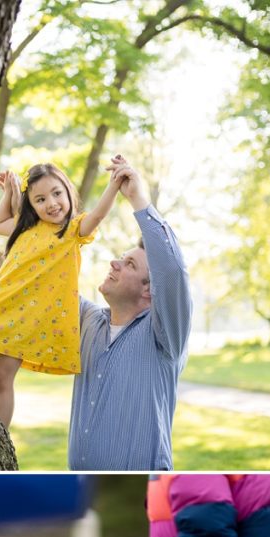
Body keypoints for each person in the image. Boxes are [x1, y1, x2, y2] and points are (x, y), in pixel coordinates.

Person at [0, 157, 125, 427]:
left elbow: (98, 215)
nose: (52, 203)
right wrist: (10, 193)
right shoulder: (26, 227)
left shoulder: (72, 231)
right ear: (32, 205)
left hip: (27, 317)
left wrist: (114, 184)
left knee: (3, 378)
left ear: (68, 190)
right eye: (40, 199)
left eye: (57, 193)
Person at [68, 159, 193, 470]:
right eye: (121, 259)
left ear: (150, 291)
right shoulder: (88, 321)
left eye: (130, 265)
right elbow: (46, 281)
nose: (114, 263)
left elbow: (173, 270)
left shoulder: (164, 336)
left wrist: (138, 199)